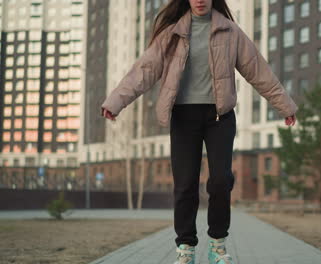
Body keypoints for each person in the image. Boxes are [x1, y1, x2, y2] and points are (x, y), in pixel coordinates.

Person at [100, 0, 298, 263]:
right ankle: (185, 248)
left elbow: (258, 70)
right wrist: (115, 102)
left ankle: (217, 246)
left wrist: (285, 106)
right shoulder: (171, 32)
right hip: (183, 116)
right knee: (185, 185)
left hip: (220, 116)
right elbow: (144, 71)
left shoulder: (230, 31)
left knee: (221, 180)